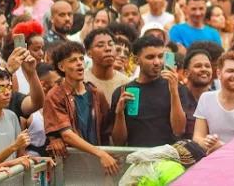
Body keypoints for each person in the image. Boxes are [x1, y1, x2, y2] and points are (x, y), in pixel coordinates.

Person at [43, 41, 119, 175]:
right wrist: (100, 153)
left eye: (81, 59)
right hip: (72, 168)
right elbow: (67, 135)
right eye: (73, 60)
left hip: (98, 167)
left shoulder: (96, 94)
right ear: (61, 66)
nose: (79, 63)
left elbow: (108, 131)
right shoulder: (55, 96)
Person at [109, 35, 187, 147]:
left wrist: (174, 92)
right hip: (135, 158)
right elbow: (118, 142)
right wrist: (120, 113)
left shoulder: (176, 87)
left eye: (160, 56)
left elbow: (179, 130)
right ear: (136, 60)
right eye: (150, 57)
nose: (157, 62)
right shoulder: (123, 92)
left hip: (166, 159)